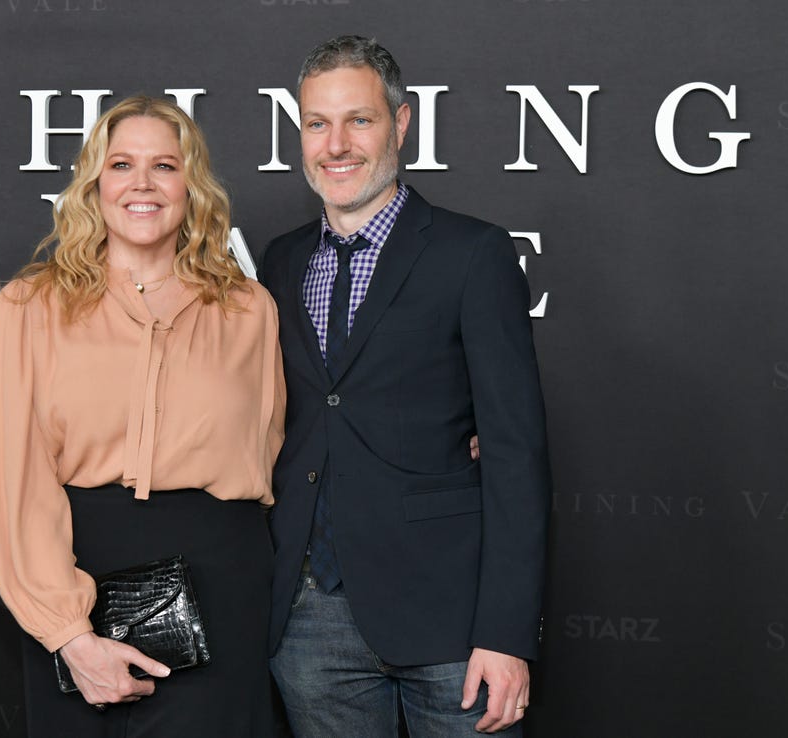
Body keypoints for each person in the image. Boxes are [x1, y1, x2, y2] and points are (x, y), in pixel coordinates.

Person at [262, 36, 551, 736]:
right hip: (312, 623)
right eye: (316, 123)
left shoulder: (473, 254)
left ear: (401, 122)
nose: (336, 144)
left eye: (358, 120)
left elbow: (515, 454)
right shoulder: (279, 261)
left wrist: (508, 632)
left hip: (454, 625)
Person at [0, 95, 285, 738]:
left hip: (224, 584)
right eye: (121, 164)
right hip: (77, 573)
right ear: (95, 184)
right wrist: (68, 632)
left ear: (191, 186)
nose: (143, 183)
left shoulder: (249, 310)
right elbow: (13, 480)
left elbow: (275, 446)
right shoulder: (28, 308)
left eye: (165, 166)